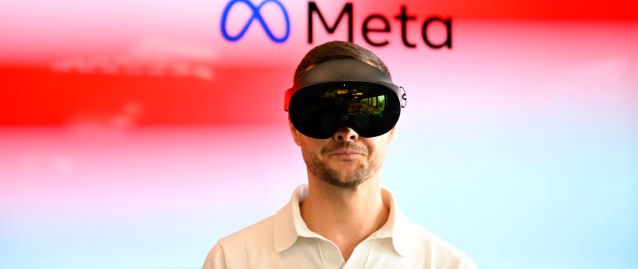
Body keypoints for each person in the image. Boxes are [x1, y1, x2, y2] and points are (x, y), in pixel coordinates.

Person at [202, 41, 478, 269]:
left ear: (392, 128)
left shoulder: (447, 265)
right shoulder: (233, 260)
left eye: (366, 111)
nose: (346, 132)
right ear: (295, 129)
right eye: (323, 112)